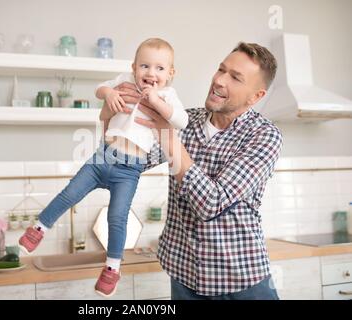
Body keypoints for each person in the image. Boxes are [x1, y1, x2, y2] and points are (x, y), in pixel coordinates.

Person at [18, 38, 188, 297]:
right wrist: (109, 94)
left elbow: (181, 120)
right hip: (103, 157)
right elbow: (100, 89)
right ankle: (39, 228)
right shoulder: (124, 80)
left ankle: (112, 268)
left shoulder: (168, 95)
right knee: (69, 194)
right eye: (144, 66)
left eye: (160, 68)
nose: (151, 73)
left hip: (129, 170)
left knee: (117, 218)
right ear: (134, 67)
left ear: (171, 73)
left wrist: (157, 100)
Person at [115, 42, 283, 300]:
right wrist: (118, 109)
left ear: (256, 96)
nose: (219, 80)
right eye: (221, 69)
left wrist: (167, 135)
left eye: (235, 78)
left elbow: (211, 203)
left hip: (239, 281)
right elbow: (129, 161)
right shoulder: (184, 119)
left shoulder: (264, 136)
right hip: (184, 277)